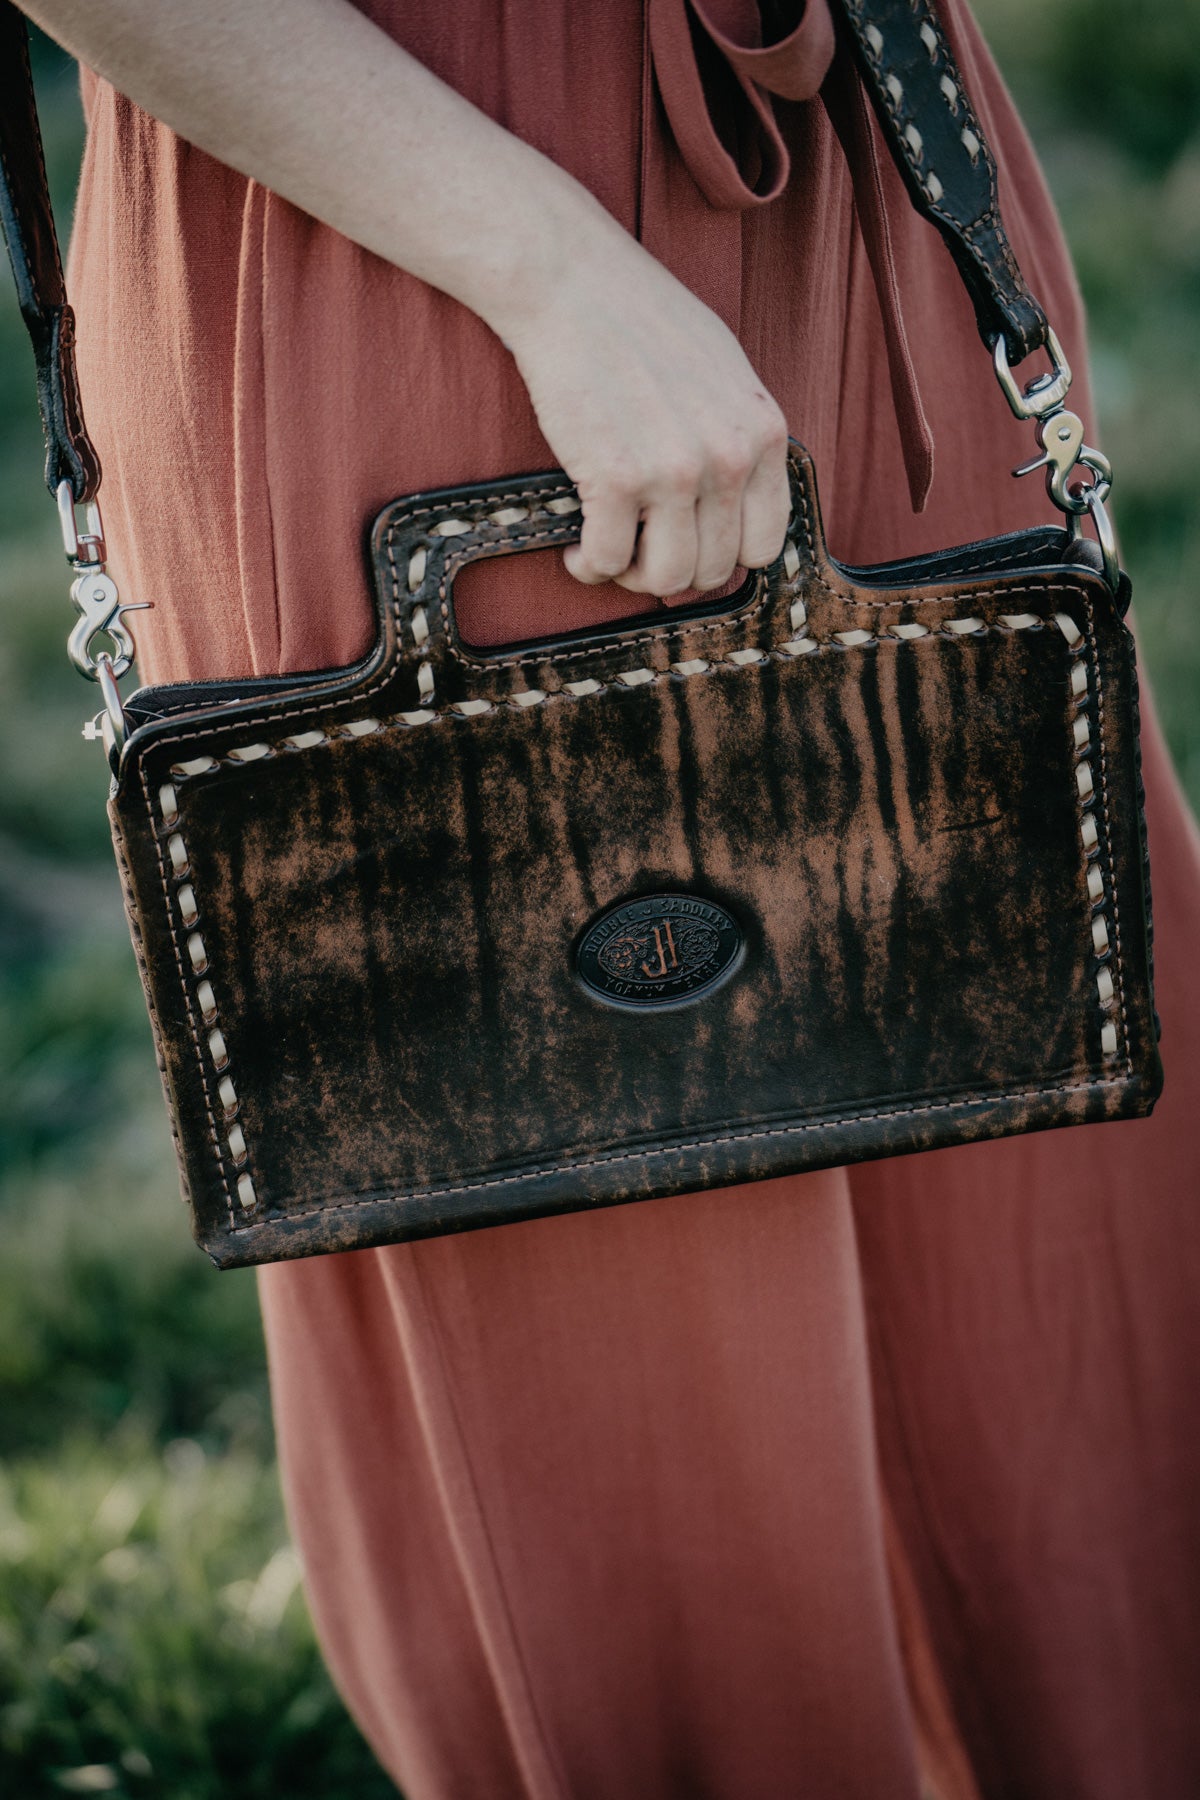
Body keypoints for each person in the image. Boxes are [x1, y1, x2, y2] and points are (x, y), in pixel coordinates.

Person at [23, 2, 1200, 1794]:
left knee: (1037, 1220)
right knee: (641, 1374)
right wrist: (551, 271)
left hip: (865, 157)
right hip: (416, 222)